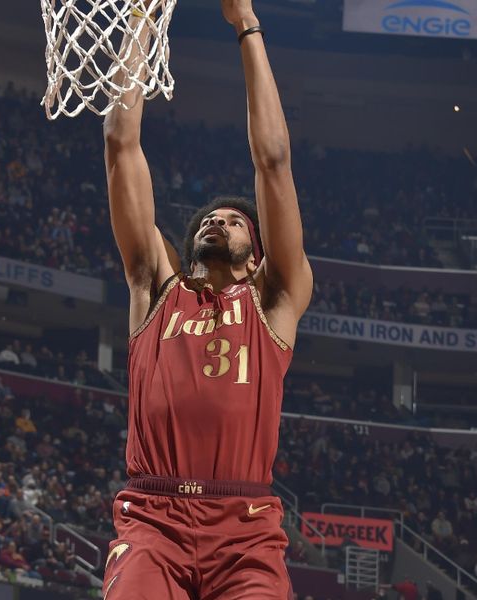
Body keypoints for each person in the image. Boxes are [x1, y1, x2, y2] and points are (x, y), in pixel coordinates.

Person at [100, 0, 312, 597]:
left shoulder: (276, 303)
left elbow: (273, 162)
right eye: (209, 219)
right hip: (152, 518)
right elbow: (122, 145)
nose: (218, 221)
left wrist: (245, 22)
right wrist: (141, 18)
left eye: (235, 220)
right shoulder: (155, 285)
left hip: (245, 531)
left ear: (261, 255)